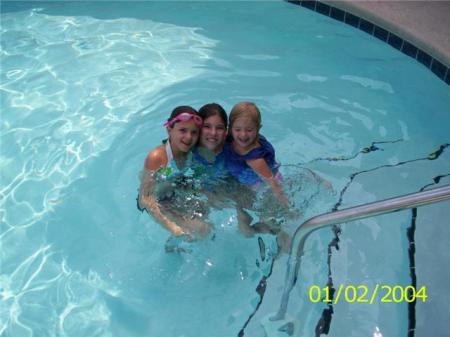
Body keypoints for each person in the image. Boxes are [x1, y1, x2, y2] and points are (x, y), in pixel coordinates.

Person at [138, 105, 210, 238]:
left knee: (206, 222)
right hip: (161, 201)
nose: (188, 137)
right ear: (169, 130)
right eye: (183, 130)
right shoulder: (158, 157)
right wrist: (172, 227)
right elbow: (144, 199)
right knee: (201, 229)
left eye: (194, 132)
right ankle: (173, 244)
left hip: (179, 192)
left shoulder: (193, 153)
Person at [225, 101, 289, 205]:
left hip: (262, 186)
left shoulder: (255, 159)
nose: (243, 135)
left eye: (249, 130)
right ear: (230, 128)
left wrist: (287, 207)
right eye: (238, 129)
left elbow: (273, 184)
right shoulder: (230, 139)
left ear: (258, 129)